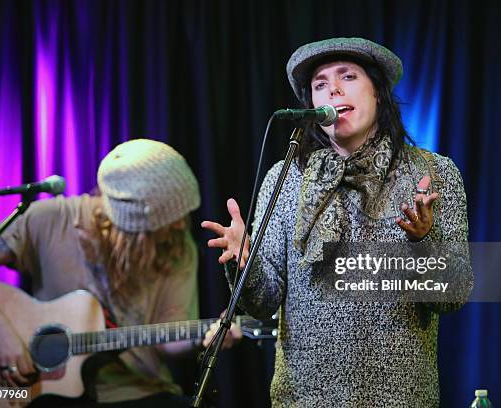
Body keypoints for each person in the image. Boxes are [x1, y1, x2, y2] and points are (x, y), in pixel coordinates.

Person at [202, 38, 473, 407]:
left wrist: (423, 242)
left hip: (400, 397)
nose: (333, 88)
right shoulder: (285, 179)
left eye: (348, 76)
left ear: (377, 91)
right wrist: (243, 262)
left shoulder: (431, 173)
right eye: (320, 84)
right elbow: (264, 302)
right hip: (303, 398)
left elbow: (454, 296)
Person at [0, 139, 240, 407]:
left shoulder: (177, 248)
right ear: (131, 222)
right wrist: (1, 333)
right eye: (167, 220)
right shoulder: (50, 219)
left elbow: (170, 337)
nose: (181, 226)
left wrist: (205, 335)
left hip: (139, 392)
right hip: (44, 391)